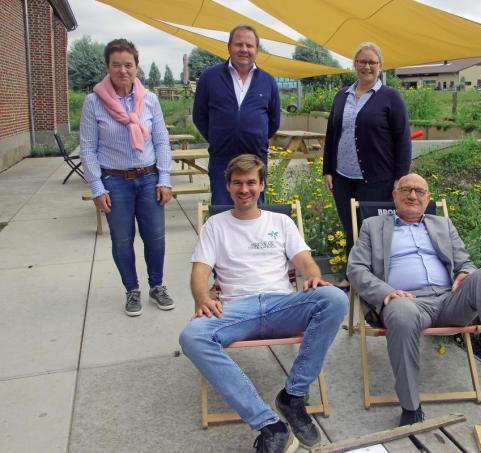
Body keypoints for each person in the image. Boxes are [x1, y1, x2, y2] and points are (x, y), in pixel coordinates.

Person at [347, 173, 481, 426]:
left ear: (428, 198)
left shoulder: (443, 225)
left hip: (450, 300)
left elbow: (465, 262)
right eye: (406, 189)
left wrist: (466, 272)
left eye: (419, 191)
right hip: (407, 302)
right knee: (402, 311)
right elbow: (356, 268)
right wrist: (386, 293)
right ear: (395, 195)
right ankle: (411, 407)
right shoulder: (373, 226)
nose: (413, 195)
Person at [179, 155, 348, 453]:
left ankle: (293, 396)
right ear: (228, 186)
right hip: (237, 309)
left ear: (262, 186)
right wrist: (203, 297)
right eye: (237, 183)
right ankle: (270, 425)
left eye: (251, 182)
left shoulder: (280, 222)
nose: (244, 189)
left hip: (281, 305)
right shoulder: (215, 225)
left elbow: (304, 260)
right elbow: (200, 271)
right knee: (192, 336)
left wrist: (312, 276)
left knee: (334, 298)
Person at [80, 38, 174, 317]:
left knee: (155, 238)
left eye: (128, 65)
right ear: (107, 67)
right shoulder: (93, 102)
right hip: (114, 181)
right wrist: (97, 187)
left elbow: (161, 141)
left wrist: (164, 179)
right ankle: (132, 290)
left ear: (136, 66)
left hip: (149, 178)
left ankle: (157, 286)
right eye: (116, 65)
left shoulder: (150, 100)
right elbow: (88, 148)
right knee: (122, 240)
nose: (123, 70)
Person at [323, 42, 411, 289]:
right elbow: (332, 134)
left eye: (372, 62)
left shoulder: (390, 97)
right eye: (362, 61)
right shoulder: (342, 95)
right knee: (350, 228)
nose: (367, 66)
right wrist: (327, 169)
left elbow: (403, 139)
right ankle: (352, 277)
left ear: (380, 66)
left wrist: (400, 177)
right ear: (355, 65)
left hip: (377, 178)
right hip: (343, 177)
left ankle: (376, 280)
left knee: (372, 230)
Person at [193, 24, 280, 205]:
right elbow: (199, 116)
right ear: (229, 47)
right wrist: (219, 137)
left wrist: (255, 137)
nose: (244, 49)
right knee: (222, 210)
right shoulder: (209, 78)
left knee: (255, 212)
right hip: (221, 160)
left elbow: (274, 121)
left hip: (255, 160)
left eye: (249, 45)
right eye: (239, 44)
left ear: (257, 50)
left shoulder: (268, 81)